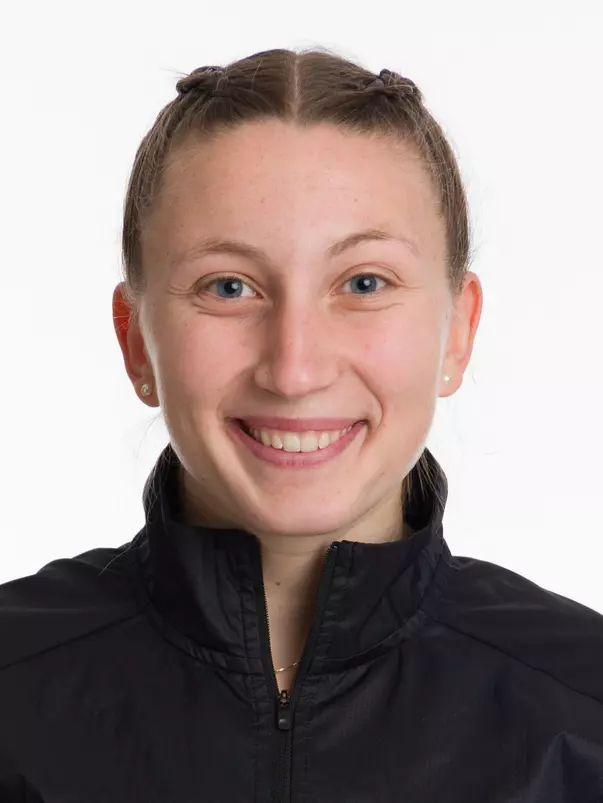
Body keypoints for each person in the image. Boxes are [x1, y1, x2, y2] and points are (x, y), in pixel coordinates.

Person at [1, 45, 602, 803]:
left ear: (456, 332)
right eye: (228, 286)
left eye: (362, 282)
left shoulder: (584, 709)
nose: (293, 367)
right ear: (134, 339)